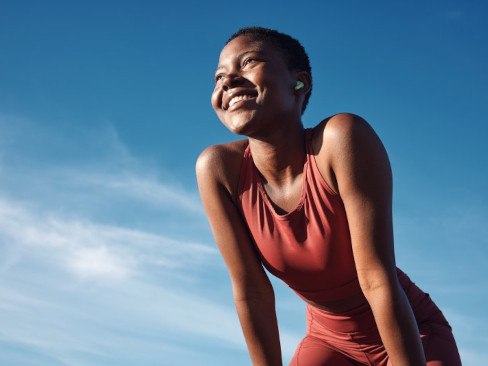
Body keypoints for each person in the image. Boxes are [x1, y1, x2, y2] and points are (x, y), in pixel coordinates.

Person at [196, 26, 461, 366]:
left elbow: (376, 278)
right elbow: (252, 292)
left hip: (411, 334)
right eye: (219, 76)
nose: (227, 81)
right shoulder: (218, 169)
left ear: (299, 82)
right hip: (328, 342)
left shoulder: (340, 140)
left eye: (248, 62)